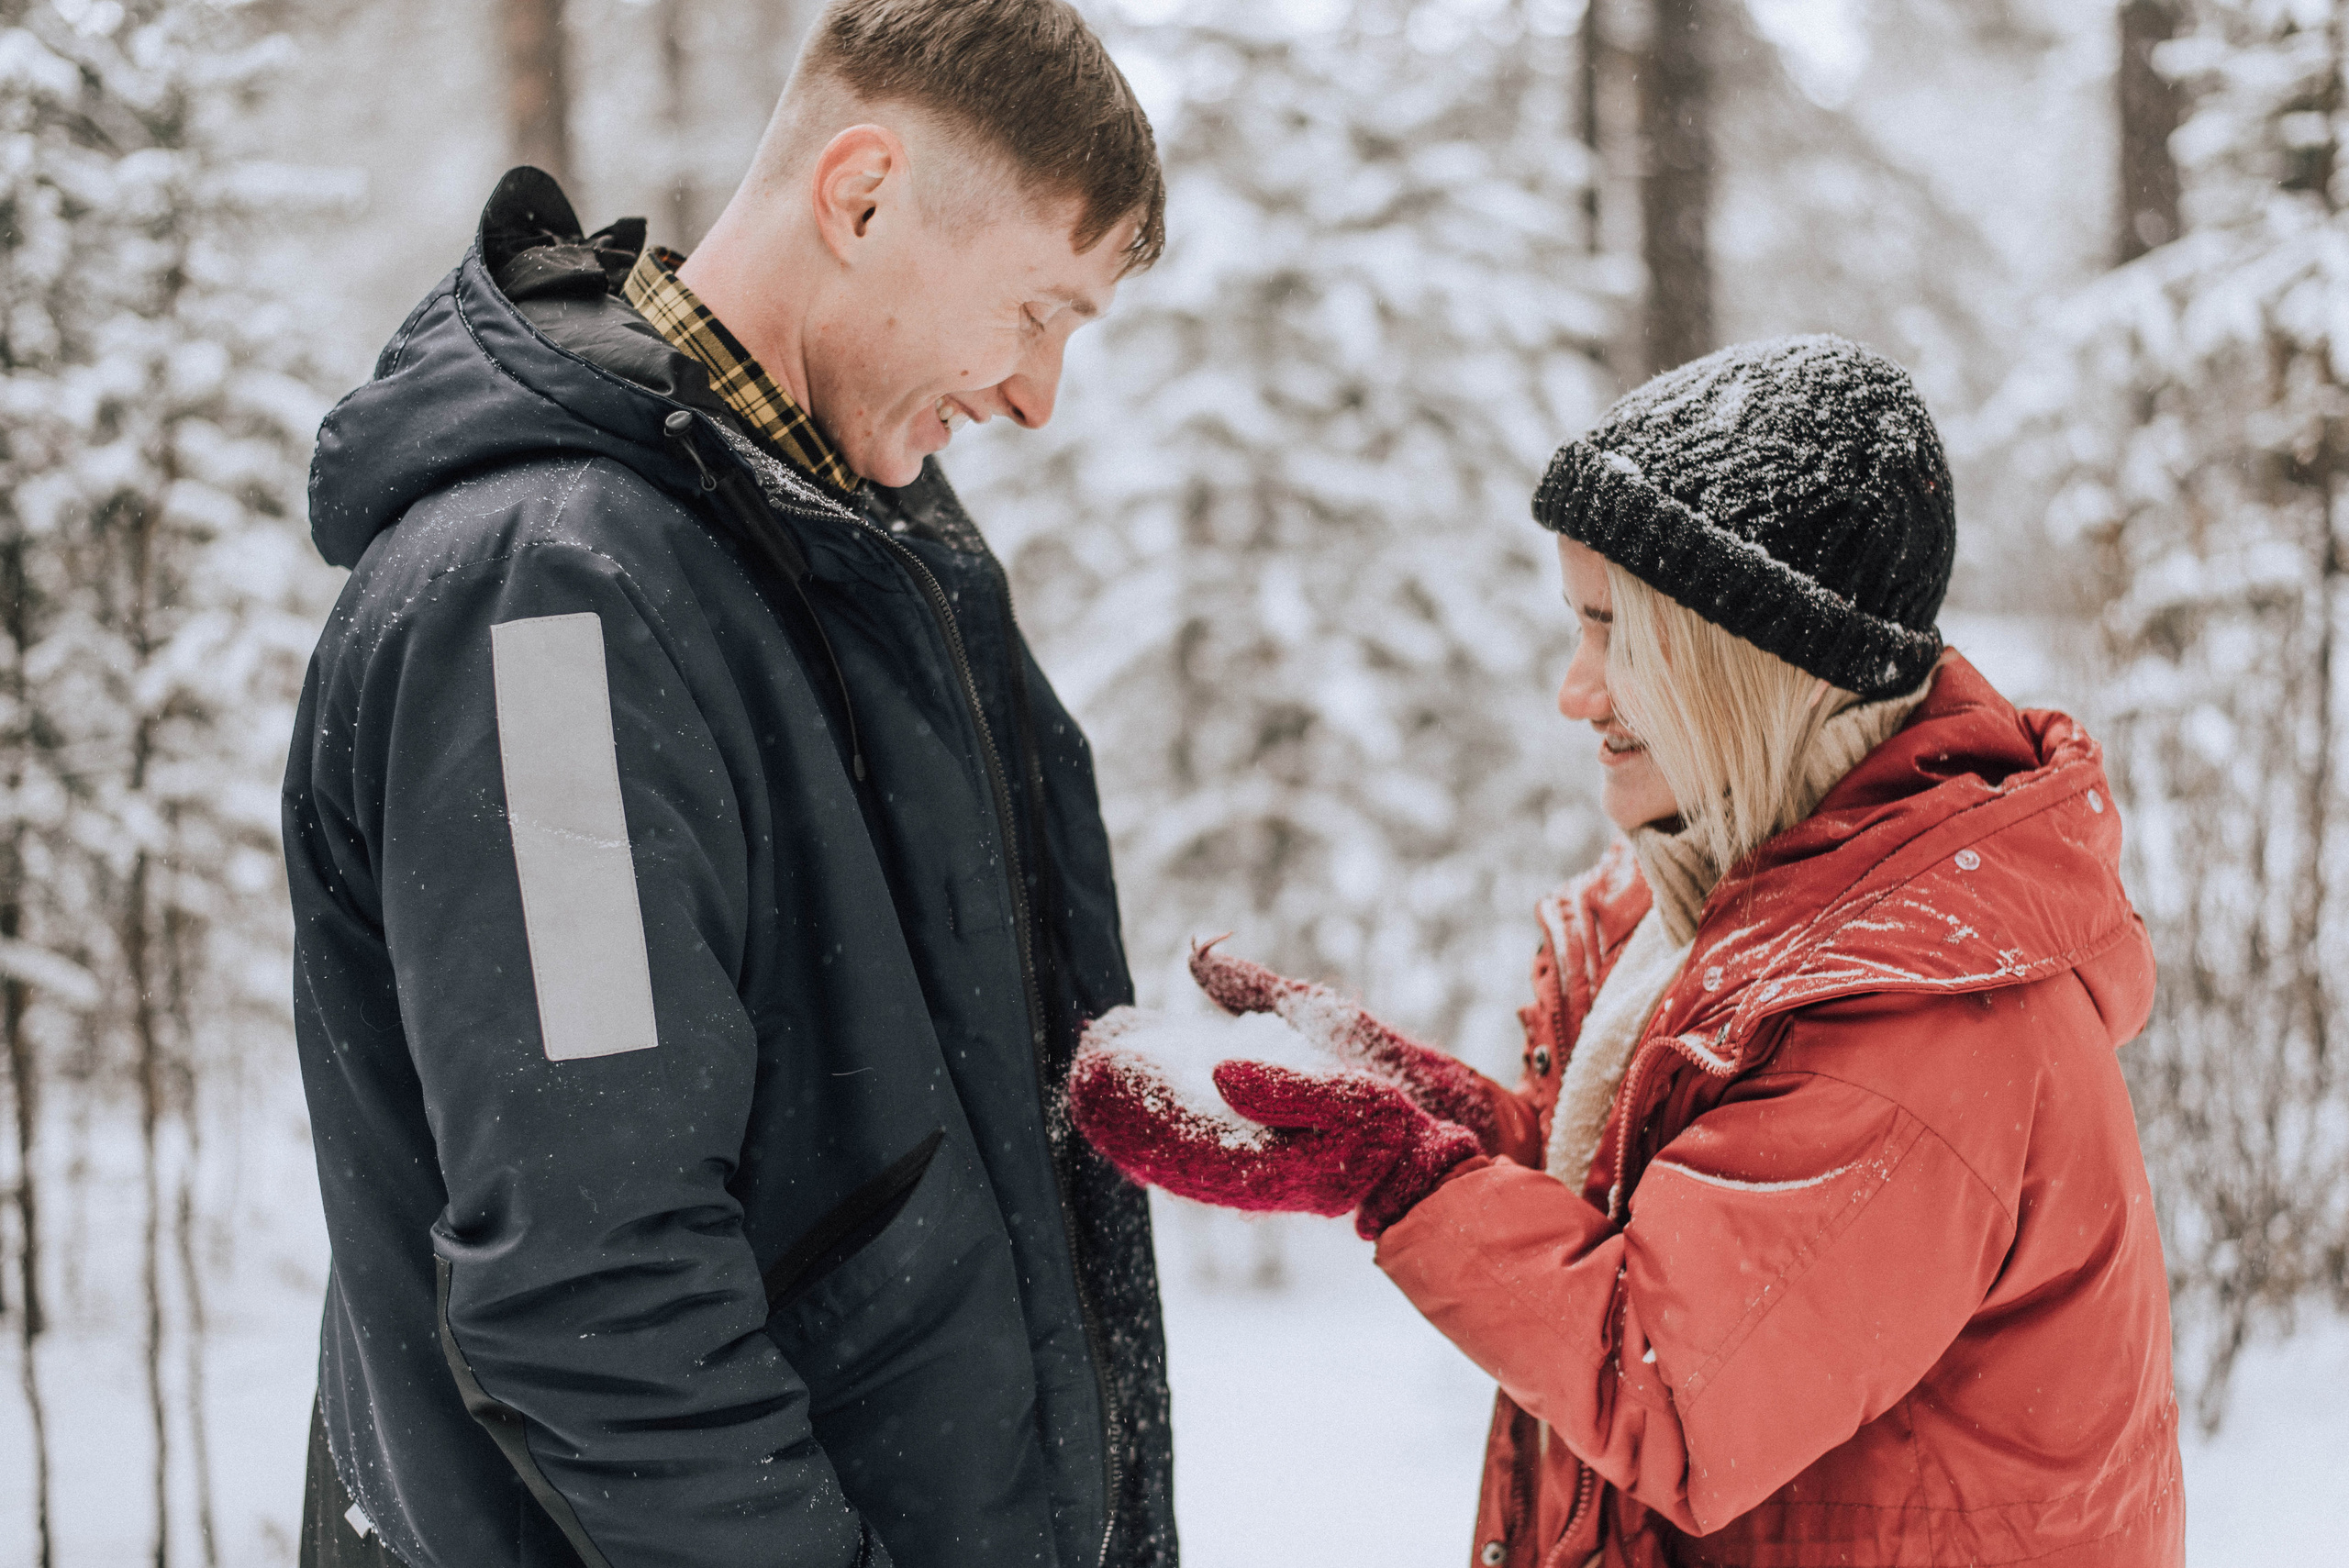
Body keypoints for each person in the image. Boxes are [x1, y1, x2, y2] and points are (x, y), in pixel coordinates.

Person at [284, 4, 1174, 1565]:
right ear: (864, 194)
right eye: (1038, 310)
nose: (1039, 395)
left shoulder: (868, 555)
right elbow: (592, 1280)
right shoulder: (548, 617)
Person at [1071, 336, 2183, 1567]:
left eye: (1614, 632)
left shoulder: (1921, 1018)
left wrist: (1403, 1174)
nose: (1576, 689)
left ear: (1747, 659)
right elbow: (1681, 1237)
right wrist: (1447, 1119)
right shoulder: (1741, 918)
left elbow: (1671, 1381)